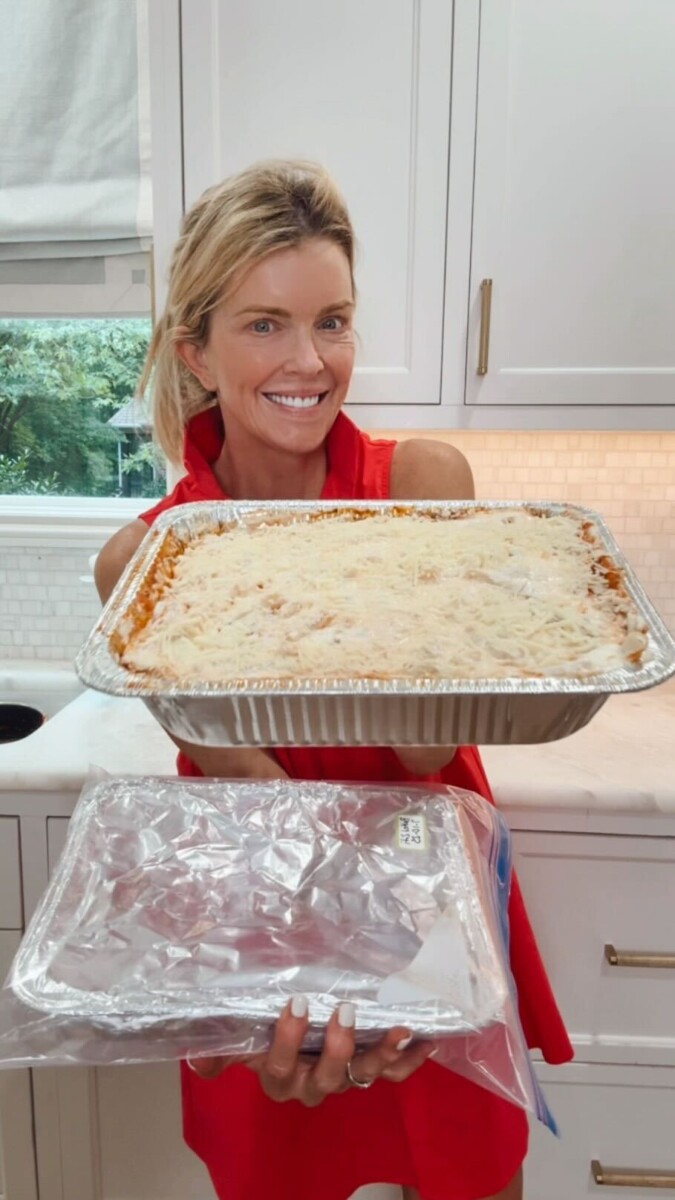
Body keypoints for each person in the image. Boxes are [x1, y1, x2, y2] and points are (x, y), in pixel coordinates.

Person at [95, 159, 573, 1200]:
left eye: (333, 321)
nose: (310, 360)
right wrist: (312, 969)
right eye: (264, 324)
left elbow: (422, 752)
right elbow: (256, 796)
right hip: (269, 907)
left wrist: (392, 960)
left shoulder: (420, 488)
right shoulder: (146, 565)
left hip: (428, 898)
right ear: (195, 348)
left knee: (469, 1183)